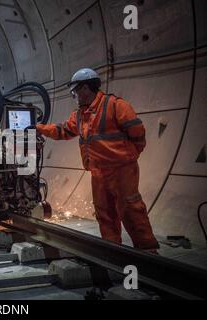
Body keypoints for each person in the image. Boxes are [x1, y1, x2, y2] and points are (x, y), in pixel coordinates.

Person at [36, 68, 159, 253]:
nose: (74, 95)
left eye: (75, 91)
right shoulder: (80, 115)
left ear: (85, 88)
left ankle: (148, 251)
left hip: (122, 170)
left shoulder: (116, 105)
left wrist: (128, 157)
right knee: (105, 212)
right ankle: (112, 250)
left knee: (131, 210)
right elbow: (63, 131)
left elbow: (138, 133)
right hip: (98, 171)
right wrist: (40, 128)